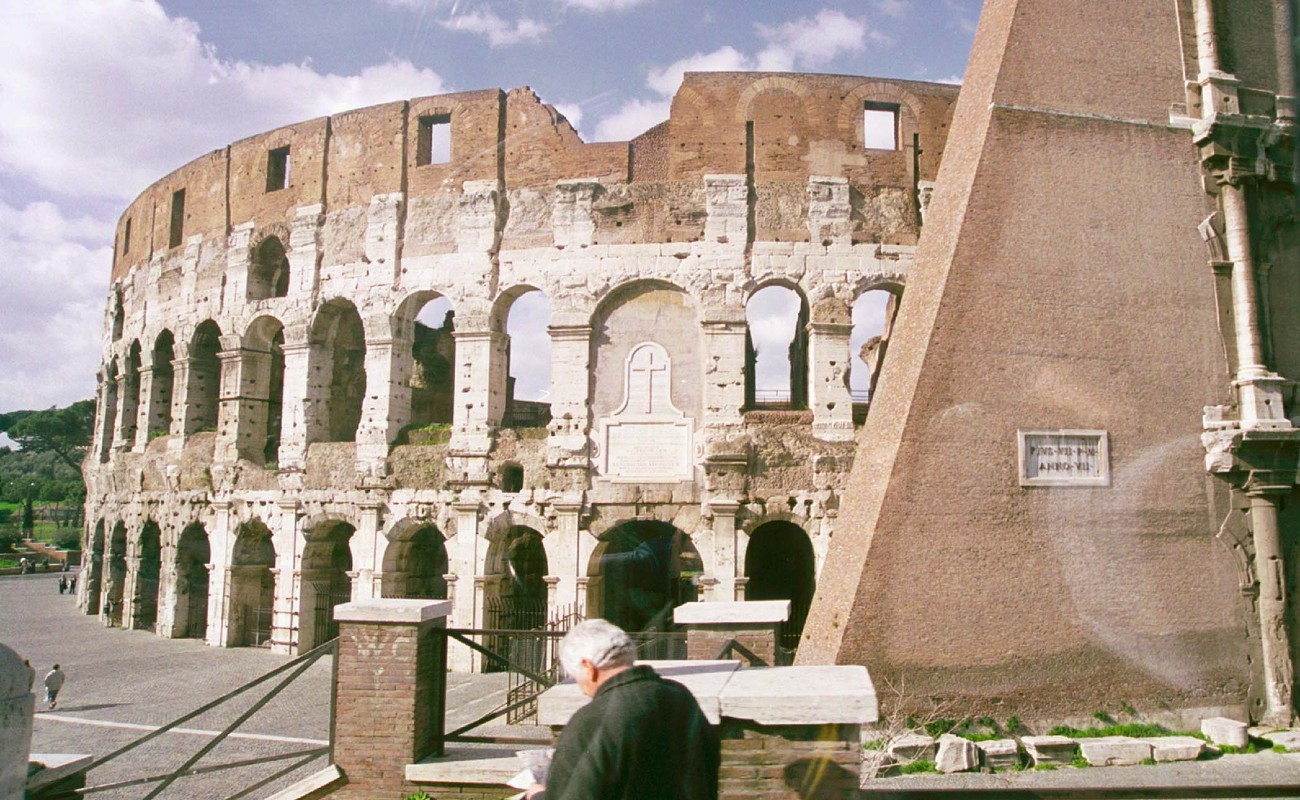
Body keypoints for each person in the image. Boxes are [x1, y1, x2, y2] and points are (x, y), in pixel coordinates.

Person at [525, 619, 719, 800]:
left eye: (576, 676)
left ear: (588, 667)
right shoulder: (679, 695)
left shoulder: (592, 720)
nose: (582, 689)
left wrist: (537, 796)